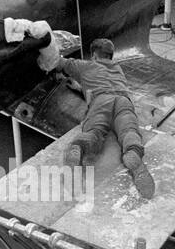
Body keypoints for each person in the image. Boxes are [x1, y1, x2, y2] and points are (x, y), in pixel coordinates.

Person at [55, 37, 156, 200]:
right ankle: (133, 153)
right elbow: (105, 83)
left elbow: (56, 62)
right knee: (129, 130)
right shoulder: (117, 68)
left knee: (95, 132)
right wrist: (81, 88)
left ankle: (79, 148)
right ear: (111, 55)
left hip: (101, 102)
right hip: (123, 101)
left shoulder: (85, 66)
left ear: (94, 55)